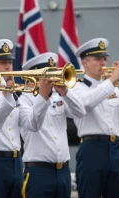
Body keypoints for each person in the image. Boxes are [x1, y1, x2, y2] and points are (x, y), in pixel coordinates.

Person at [0, 39, 50, 198]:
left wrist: (43, 97)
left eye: (9, 62)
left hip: (16, 162)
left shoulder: (15, 94)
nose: (9, 67)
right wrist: (7, 93)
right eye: (2, 62)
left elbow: (33, 125)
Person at [73, 38, 119, 198]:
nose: (103, 63)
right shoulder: (77, 86)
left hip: (115, 149)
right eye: (97, 59)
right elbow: (87, 103)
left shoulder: (113, 88)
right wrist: (112, 80)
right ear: (85, 63)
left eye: (105, 58)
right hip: (92, 149)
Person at [19, 52, 86, 198]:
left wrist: (65, 91)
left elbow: (80, 112)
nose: (53, 78)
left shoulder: (58, 96)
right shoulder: (23, 100)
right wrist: (43, 96)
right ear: (34, 77)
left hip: (63, 171)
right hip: (39, 173)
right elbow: (34, 124)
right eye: (48, 76)